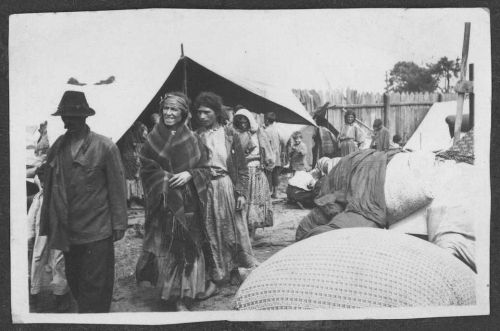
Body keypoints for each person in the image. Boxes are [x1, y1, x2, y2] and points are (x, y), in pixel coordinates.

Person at [40, 90, 128, 313]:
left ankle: (95, 319)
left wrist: (119, 224)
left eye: (75, 117)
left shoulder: (105, 146)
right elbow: (49, 183)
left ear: (85, 117)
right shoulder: (58, 147)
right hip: (69, 229)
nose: (70, 121)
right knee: (75, 280)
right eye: (66, 116)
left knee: (95, 287)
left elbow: (117, 188)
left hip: (97, 229)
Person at [135, 92, 210, 311]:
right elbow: (146, 168)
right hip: (163, 203)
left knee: (187, 245)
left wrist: (190, 174)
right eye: (166, 108)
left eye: (174, 109)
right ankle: (168, 293)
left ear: (183, 113)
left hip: (188, 203)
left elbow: (205, 168)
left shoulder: (194, 138)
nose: (168, 113)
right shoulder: (153, 138)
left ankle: (183, 297)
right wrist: (165, 179)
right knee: (166, 248)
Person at [195, 92, 258, 295]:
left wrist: (241, 193)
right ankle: (215, 275)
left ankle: (233, 270)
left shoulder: (229, 135)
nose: (202, 116)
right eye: (199, 113)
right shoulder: (195, 136)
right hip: (205, 187)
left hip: (226, 185)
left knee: (232, 230)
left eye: (207, 112)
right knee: (210, 230)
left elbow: (241, 167)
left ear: (216, 113)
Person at [28, 163, 71, 312]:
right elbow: (33, 215)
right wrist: (31, 232)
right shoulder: (40, 193)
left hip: (58, 217)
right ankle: (34, 291)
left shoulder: (61, 169)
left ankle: (60, 294)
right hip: (43, 215)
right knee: (38, 255)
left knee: (58, 258)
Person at [233, 108, 274, 239]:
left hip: (257, 172)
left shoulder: (258, 134)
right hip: (242, 174)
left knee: (256, 202)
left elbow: (267, 153)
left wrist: (266, 162)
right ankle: (242, 233)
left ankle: (252, 233)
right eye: (240, 122)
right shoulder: (235, 135)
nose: (243, 124)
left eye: (245, 121)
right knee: (243, 203)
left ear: (250, 121)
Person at [117, 121, 148, 208]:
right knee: (132, 179)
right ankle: (132, 201)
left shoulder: (136, 139)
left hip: (132, 159)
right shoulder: (130, 137)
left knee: (135, 179)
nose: (145, 133)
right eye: (144, 131)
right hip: (130, 160)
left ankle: (134, 201)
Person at [264, 112, 284, 198]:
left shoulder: (266, 131)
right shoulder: (277, 130)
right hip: (277, 154)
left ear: (267, 121)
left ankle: (268, 192)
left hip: (269, 155)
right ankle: (275, 192)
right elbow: (283, 141)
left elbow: (265, 144)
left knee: (268, 174)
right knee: (275, 174)